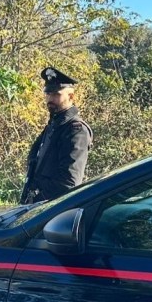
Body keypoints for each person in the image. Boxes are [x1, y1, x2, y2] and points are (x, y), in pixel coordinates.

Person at [20, 67, 92, 204]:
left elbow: (69, 183)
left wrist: (38, 202)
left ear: (71, 97)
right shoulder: (54, 125)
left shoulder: (76, 130)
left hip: (51, 212)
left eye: (56, 95)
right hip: (36, 208)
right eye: (48, 94)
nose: (50, 99)